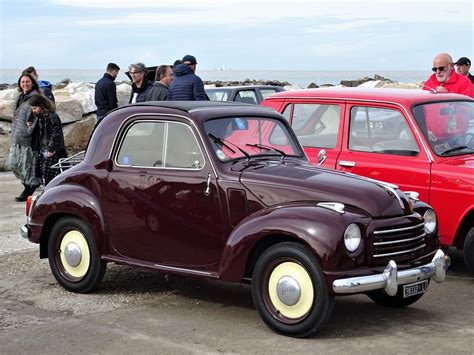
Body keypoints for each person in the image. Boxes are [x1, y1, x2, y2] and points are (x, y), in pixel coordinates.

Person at [9, 73, 43, 201]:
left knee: (26, 165)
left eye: (27, 82)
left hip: (28, 139)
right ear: (19, 83)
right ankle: (28, 184)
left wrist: (29, 128)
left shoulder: (35, 97)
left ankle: (29, 188)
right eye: (22, 82)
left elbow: (38, 115)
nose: (25, 84)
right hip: (16, 136)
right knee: (14, 164)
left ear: (32, 83)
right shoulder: (20, 97)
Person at [28, 94, 67, 186]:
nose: (33, 111)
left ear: (41, 106)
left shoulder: (51, 116)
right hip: (45, 149)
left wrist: (51, 148)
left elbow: (55, 133)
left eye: (34, 108)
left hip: (53, 151)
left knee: (54, 175)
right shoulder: (41, 117)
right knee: (46, 175)